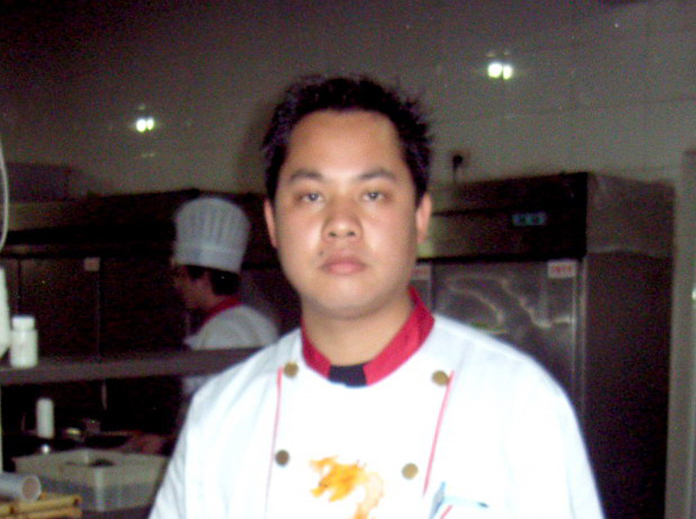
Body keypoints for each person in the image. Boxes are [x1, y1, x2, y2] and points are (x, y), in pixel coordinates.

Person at [149, 75, 604, 518]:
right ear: (272, 223)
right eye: (311, 196)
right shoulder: (220, 418)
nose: (340, 223)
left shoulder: (519, 405)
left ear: (420, 217)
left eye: (372, 194)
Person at [172, 196, 279, 394]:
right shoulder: (261, 322)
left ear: (204, 279)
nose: (178, 285)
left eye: (182, 276)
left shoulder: (217, 333)